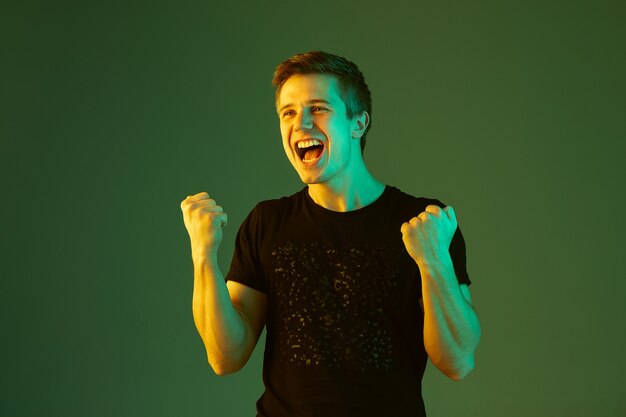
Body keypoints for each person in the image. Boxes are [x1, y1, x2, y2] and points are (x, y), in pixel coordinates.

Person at [180, 51, 481, 417]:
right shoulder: (267, 222)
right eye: (288, 112)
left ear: (358, 123)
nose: (300, 124)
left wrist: (433, 262)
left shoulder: (424, 223)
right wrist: (203, 254)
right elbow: (225, 357)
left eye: (318, 109)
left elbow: (458, 361)